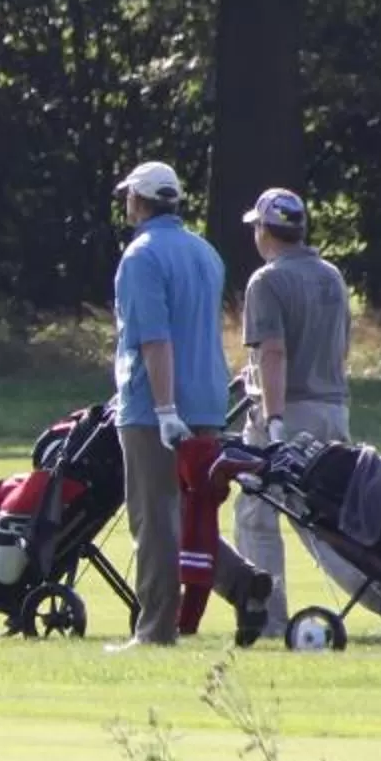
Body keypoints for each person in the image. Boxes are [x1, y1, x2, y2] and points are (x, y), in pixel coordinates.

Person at [106, 160, 266, 648]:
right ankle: (242, 583)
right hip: (207, 398)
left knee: (154, 518)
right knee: (187, 512)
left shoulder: (141, 256)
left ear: (139, 200)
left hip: (155, 405)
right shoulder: (204, 252)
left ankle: (155, 630)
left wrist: (163, 409)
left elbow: (154, 339)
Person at [234, 185, 364, 626]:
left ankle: (268, 621)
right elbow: (340, 346)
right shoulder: (331, 275)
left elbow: (273, 352)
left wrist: (272, 420)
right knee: (327, 521)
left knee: (257, 516)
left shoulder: (266, 280)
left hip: (287, 414)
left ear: (266, 231)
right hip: (333, 409)